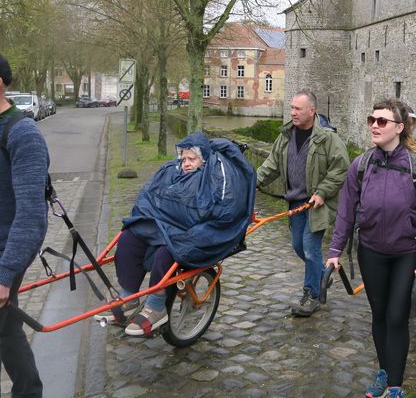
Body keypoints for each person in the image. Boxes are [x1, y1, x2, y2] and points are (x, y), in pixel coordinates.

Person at [326, 99, 416, 398]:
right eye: (372, 120)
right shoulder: (361, 165)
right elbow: (346, 212)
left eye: (382, 121)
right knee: (379, 315)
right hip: (371, 251)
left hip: (406, 254)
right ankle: (384, 372)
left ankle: (394, 387)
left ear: (399, 128)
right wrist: (335, 251)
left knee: (396, 316)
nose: (374, 126)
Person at [111, 131, 255, 335]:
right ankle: (129, 296)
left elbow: (223, 212)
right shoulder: (171, 171)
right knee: (129, 237)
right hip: (165, 227)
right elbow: (149, 197)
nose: (186, 163)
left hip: (195, 234)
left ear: (203, 159)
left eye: (192, 159)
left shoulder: (214, 177)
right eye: (183, 158)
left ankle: (156, 306)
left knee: (166, 253)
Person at [257, 90, 349, 317]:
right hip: (295, 203)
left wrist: (322, 192)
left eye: (298, 109)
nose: (293, 113)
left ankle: (311, 295)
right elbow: (271, 165)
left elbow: (341, 168)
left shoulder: (328, 138)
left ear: (312, 110)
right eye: (292, 108)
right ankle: (322, 276)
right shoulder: (286, 136)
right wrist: (250, 183)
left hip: (318, 204)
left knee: (309, 247)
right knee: (299, 246)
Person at [0, 54, 48, 397]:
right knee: (5, 331)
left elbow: (32, 214)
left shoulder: (23, 132)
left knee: (5, 329)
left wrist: (4, 276)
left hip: (5, 249)